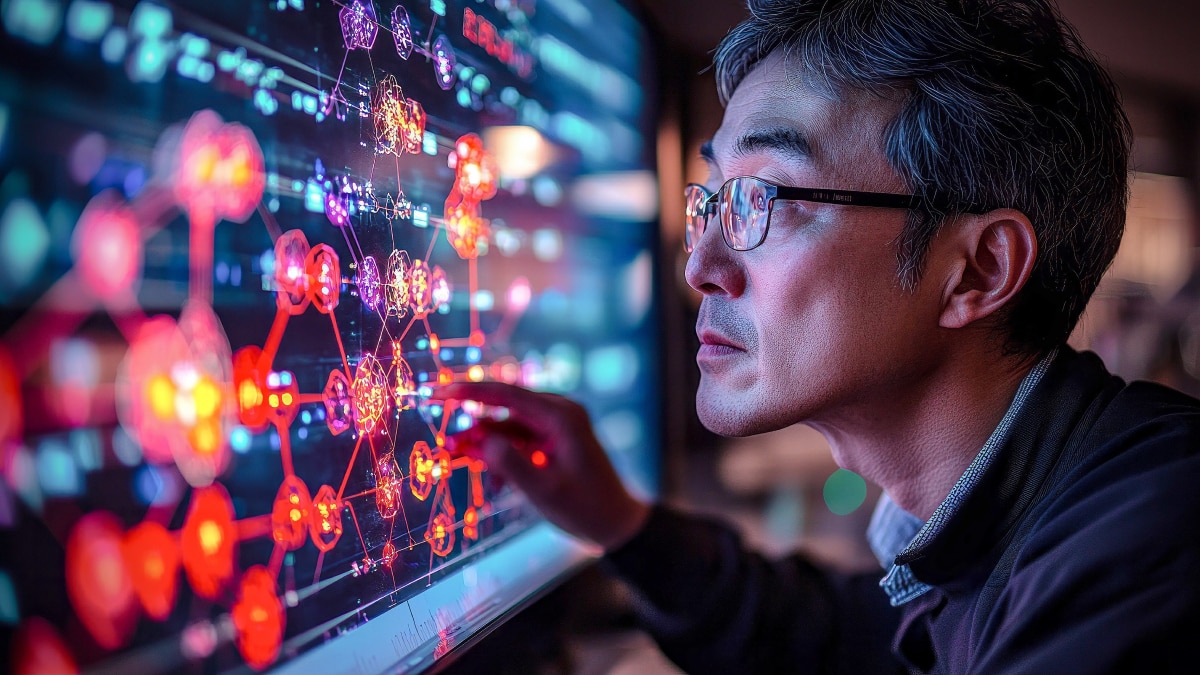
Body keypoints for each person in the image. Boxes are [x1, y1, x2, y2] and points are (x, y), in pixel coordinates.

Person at [438, 0, 1200, 672]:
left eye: (763, 197)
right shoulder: (1030, 527)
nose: (701, 265)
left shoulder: (1150, 559)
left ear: (977, 271)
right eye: (713, 200)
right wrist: (621, 523)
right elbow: (839, 640)